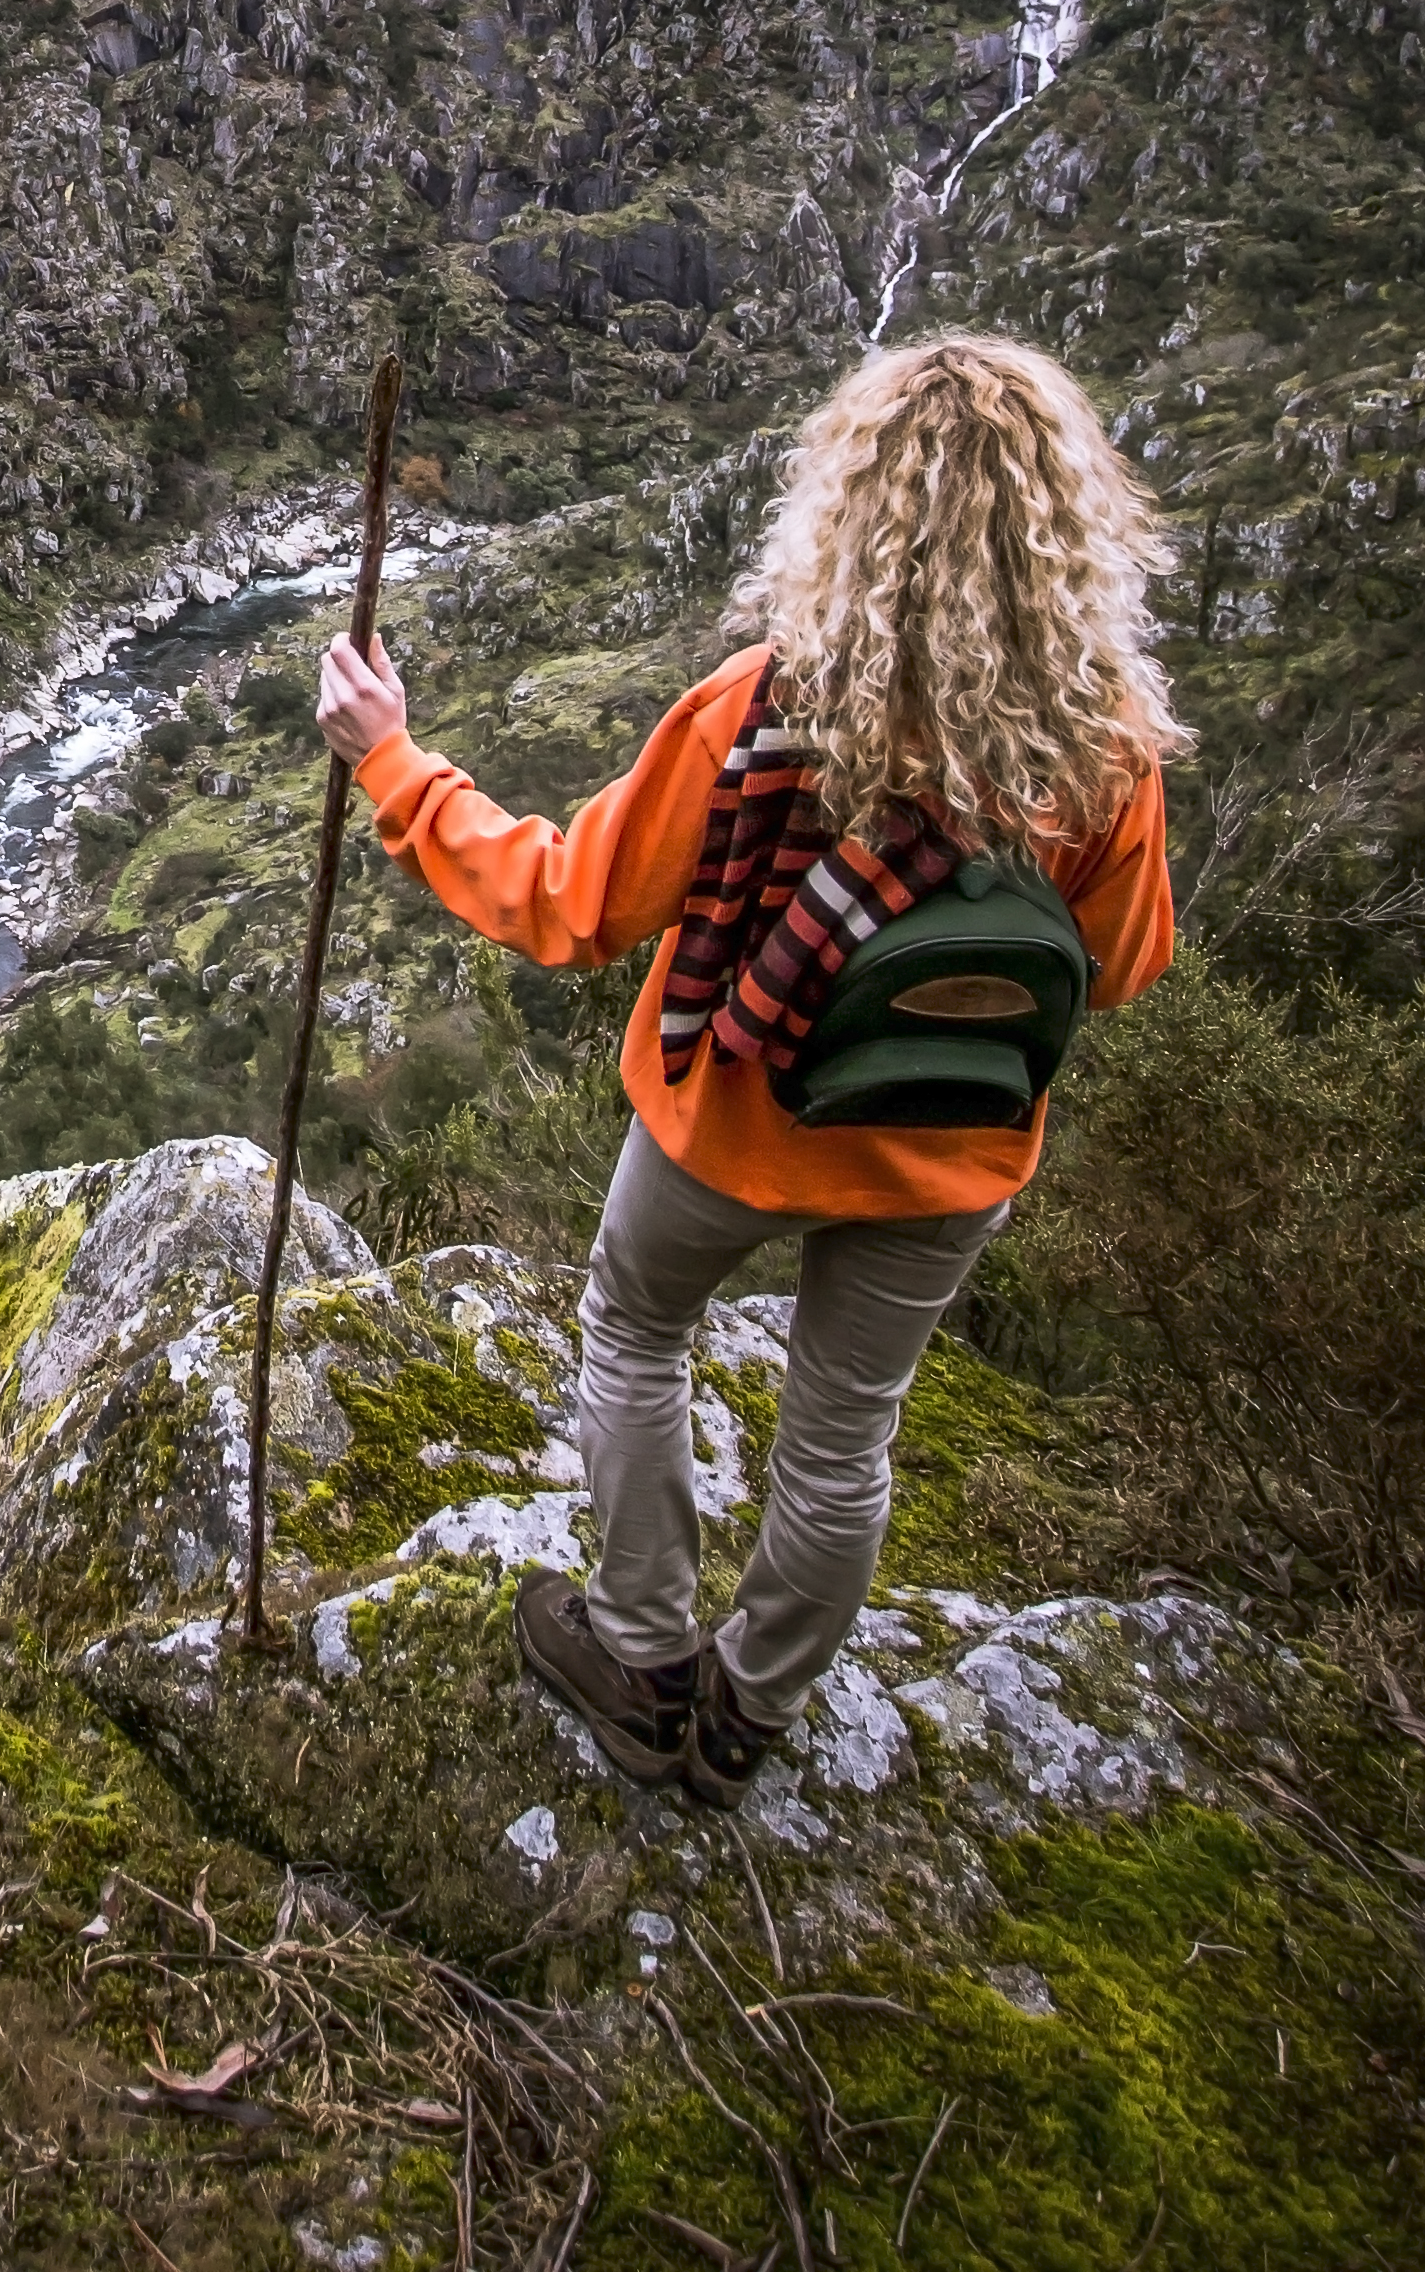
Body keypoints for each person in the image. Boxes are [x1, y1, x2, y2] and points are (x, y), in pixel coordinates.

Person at [316, 332, 1181, 1804]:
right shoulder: (1101, 754)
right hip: (947, 1160)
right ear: (1066, 531)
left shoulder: (761, 711)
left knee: (635, 1328)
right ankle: (746, 1718)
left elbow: (566, 905)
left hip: (729, 1125)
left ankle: (640, 1653)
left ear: (843, 515)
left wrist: (393, 764)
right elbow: (1120, 965)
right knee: (844, 1439)